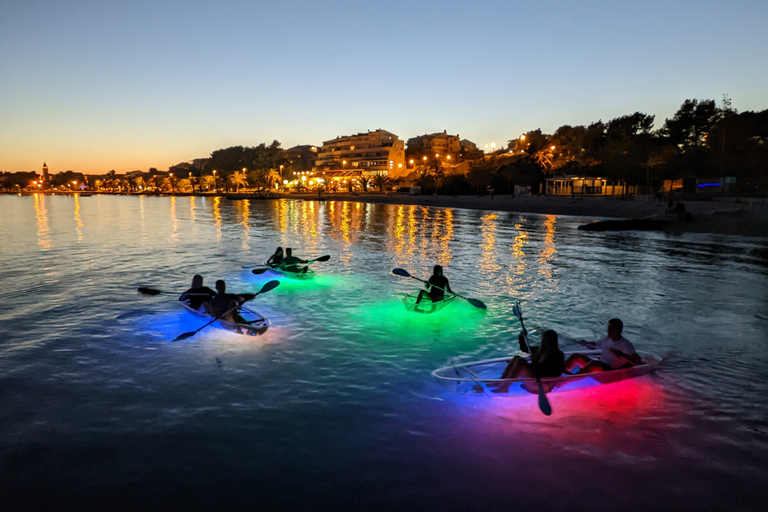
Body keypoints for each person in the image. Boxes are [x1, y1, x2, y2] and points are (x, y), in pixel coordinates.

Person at [492, 329, 565, 392]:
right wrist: (521, 337)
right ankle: (500, 382)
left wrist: (535, 365)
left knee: (521, 362)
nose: (544, 341)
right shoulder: (539, 351)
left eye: (546, 339)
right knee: (517, 358)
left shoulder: (557, 355)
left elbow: (556, 372)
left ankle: (505, 388)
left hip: (542, 383)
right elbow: (524, 348)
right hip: (534, 378)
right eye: (544, 339)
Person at [564, 318, 642, 374]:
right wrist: (585, 343)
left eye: (610, 329)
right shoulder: (606, 339)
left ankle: (571, 379)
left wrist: (620, 354)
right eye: (608, 328)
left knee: (594, 364)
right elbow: (596, 345)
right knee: (576, 356)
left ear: (617, 331)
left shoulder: (626, 344)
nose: (608, 330)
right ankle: (557, 374)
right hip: (601, 365)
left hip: (611, 370)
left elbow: (636, 360)